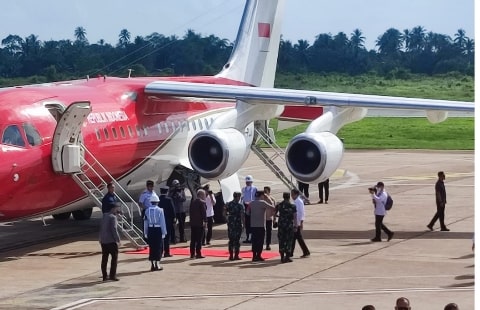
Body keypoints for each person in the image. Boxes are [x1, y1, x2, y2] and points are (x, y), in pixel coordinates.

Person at [247, 190, 275, 261]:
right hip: (261, 225)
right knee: (260, 241)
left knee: (254, 241)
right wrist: (268, 198)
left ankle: (254, 256)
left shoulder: (251, 203)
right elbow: (272, 207)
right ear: (262, 195)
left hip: (253, 225)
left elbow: (247, 212)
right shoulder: (263, 203)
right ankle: (258, 255)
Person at [144, 192, 167, 271]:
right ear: (157, 202)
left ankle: (152, 264)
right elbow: (162, 222)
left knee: (152, 247)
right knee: (158, 247)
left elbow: (145, 223)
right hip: (158, 230)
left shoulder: (147, 211)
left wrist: (145, 232)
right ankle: (157, 264)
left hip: (150, 229)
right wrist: (164, 232)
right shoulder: (160, 210)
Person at [99, 203, 121, 281]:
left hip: (103, 241)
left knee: (104, 258)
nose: (117, 210)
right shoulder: (113, 217)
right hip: (111, 241)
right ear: (113, 209)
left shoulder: (104, 215)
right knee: (114, 259)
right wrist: (117, 239)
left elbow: (102, 227)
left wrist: (100, 238)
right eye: (116, 208)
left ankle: (104, 276)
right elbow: (114, 229)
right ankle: (112, 275)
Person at [274, 192, 297, 263]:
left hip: (281, 226)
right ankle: (287, 257)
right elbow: (295, 217)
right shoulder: (292, 206)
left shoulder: (279, 205)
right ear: (289, 197)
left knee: (281, 241)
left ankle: (282, 257)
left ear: (283, 197)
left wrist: (274, 222)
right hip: (289, 226)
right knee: (289, 241)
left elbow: (274, 214)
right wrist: (295, 226)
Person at [225, 191, 245, 260]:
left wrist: (227, 218)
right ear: (238, 197)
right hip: (237, 224)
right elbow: (242, 215)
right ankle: (236, 255)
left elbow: (224, 212)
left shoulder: (229, 204)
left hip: (230, 224)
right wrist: (244, 224)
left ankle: (231, 256)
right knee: (237, 240)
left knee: (231, 240)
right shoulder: (240, 205)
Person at [290, 189, 310, 258]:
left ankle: (305, 251)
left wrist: (301, 222)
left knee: (297, 238)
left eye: (292, 194)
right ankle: (292, 252)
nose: (291, 196)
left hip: (297, 223)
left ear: (296, 194)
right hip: (295, 223)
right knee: (294, 238)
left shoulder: (299, 202)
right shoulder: (295, 201)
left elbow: (301, 213)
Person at [158, 186, 176, 258]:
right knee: (167, 237)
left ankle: (160, 252)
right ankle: (167, 252)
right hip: (167, 221)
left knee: (161, 237)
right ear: (167, 191)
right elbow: (172, 210)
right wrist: (174, 218)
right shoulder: (169, 199)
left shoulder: (158, 199)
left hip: (159, 221)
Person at [189, 189, 207, 259]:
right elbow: (203, 213)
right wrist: (205, 221)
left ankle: (192, 253)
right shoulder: (202, 202)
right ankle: (198, 253)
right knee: (199, 240)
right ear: (201, 195)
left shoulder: (193, 202)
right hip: (199, 224)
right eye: (204, 195)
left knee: (193, 239)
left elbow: (190, 212)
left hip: (193, 223)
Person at [241, 175, 257, 243]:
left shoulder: (255, 189)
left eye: (249, 182)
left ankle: (252, 237)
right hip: (246, 205)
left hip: (252, 206)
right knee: (247, 223)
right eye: (247, 182)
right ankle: (248, 237)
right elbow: (242, 197)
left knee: (252, 222)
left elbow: (255, 198)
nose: (248, 183)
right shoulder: (243, 189)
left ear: (252, 182)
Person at [263, 186, 276, 250]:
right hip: (262, 219)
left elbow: (274, 210)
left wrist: (274, 219)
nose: (264, 192)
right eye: (264, 191)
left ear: (269, 192)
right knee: (261, 232)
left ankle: (268, 244)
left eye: (266, 191)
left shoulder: (272, 199)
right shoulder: (261, 199)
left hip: (269, 218)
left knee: (269, 232)